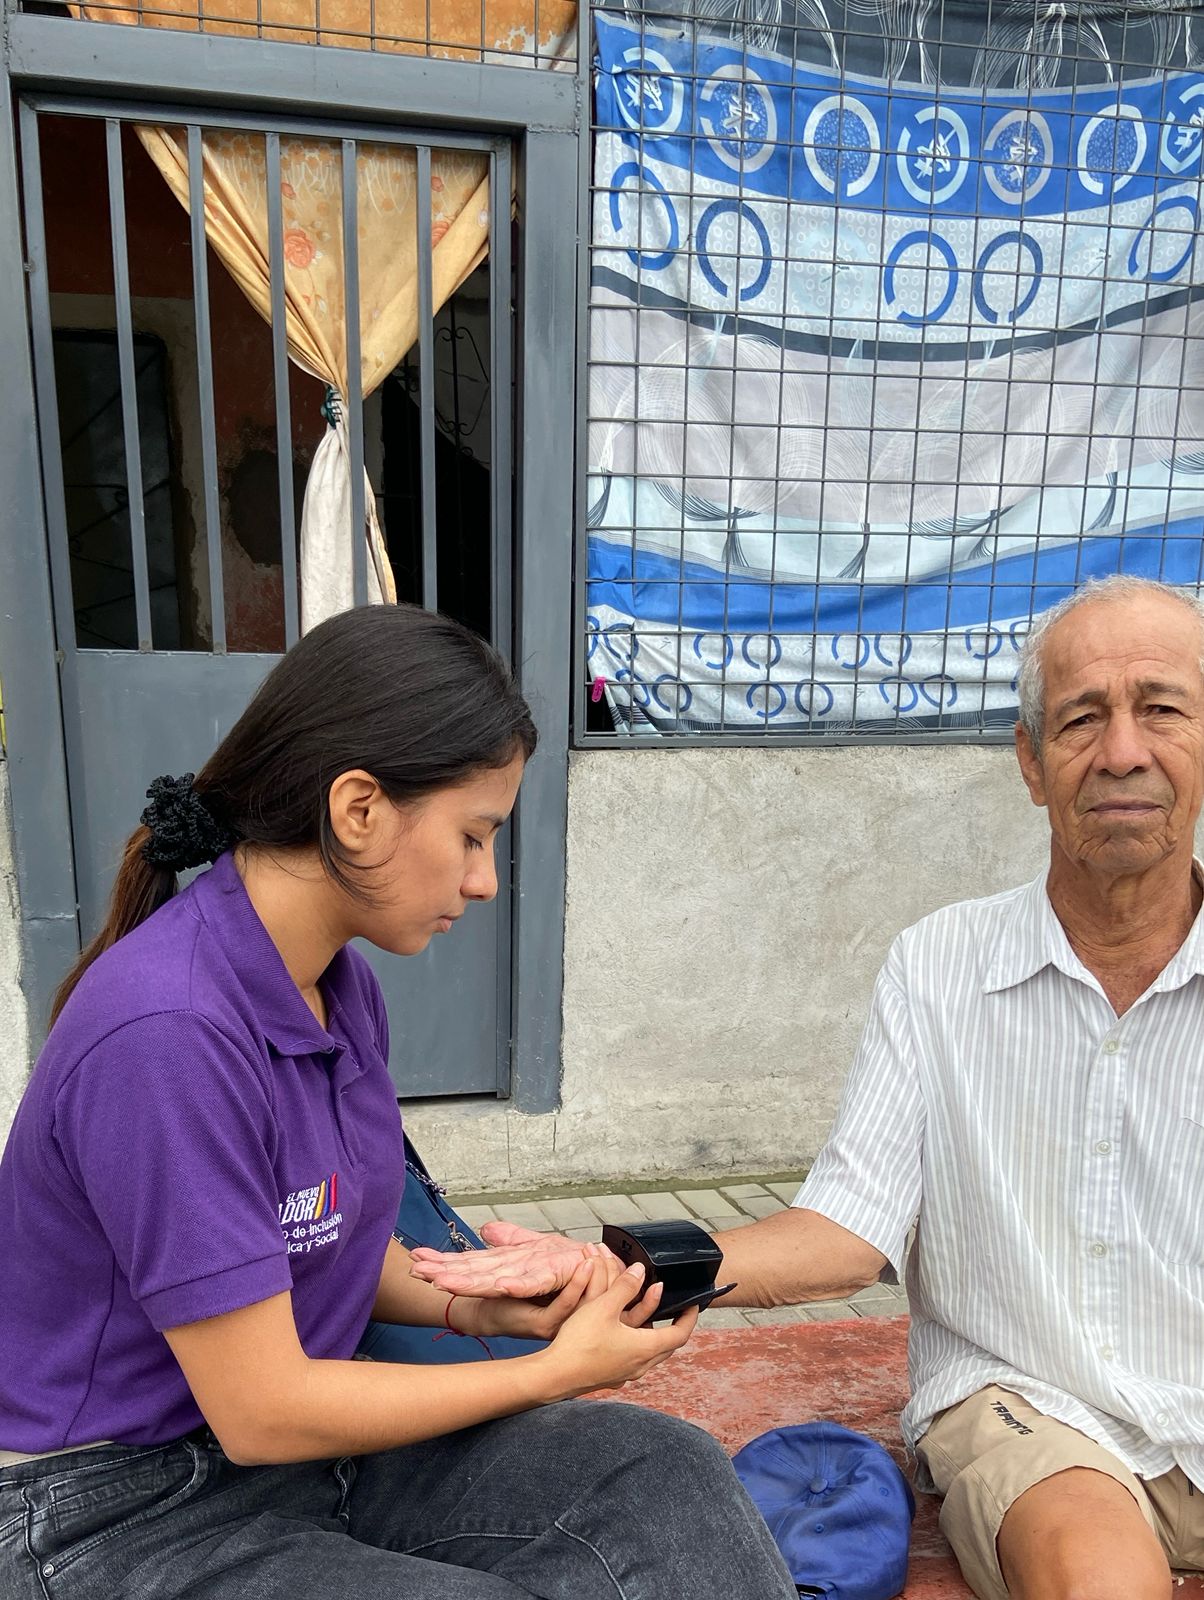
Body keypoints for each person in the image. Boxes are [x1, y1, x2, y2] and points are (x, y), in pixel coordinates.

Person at [412, 575, 1204, 1600]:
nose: (1123, 751)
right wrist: (625, 1263)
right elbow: (845, 1234)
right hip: (1036, 1414)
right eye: (1082, 719)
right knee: (1099, 1578)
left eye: (1162, 709)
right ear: (1030, 762)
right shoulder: (940, 968)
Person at [0, 603, 795, 1600]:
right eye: (473, 835)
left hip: (307, 1457)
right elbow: (261, 1409)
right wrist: (556, 1370)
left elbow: (331, 1248)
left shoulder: (338, 989)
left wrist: (502, 1305)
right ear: (359, 809)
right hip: (107, 1509)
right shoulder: (168, 1032)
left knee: (661, 1476)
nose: (485, 880)